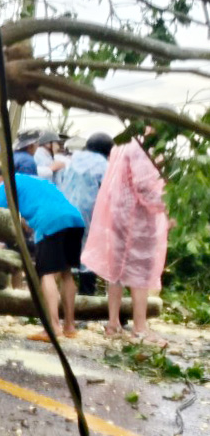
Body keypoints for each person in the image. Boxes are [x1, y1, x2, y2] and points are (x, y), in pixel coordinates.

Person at [81, 132, 169, 346]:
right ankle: (139, 328)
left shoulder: (124, 145)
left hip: (120, 215)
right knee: (141, 271)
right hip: (137, 218)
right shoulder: (142, 149)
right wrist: (166, 207)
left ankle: (113, 324)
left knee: (117, 272)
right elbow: (144, 186)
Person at [0, 169, 87, 341]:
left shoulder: (3, 186)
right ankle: (69, 326)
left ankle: (52, 327)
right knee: (66, 272)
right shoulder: (35, 180)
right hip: (74, 219)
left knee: (46, 274)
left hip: (50, 222)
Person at [59, 132, 112, 295]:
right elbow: (108, 190)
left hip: (65, 209)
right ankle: (86, 295)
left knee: (66, 256)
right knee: (89, 255)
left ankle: (60, 299)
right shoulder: (104, 166)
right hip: (90, 214)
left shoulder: (72, 160)